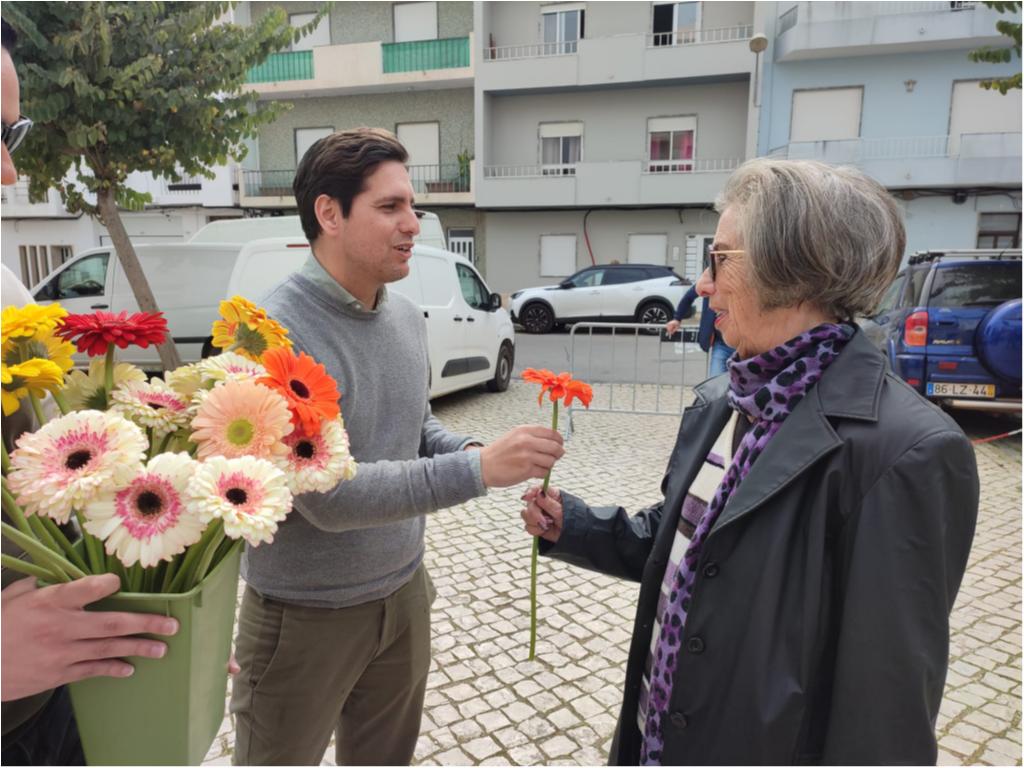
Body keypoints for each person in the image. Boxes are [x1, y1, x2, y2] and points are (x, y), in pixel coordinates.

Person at [521, 158, 979, 765]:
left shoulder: (906, 452)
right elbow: (683, 547)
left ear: (792, 268)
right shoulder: (723, 400)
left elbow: (883, 715)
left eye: (719, 259)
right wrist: (574, 525)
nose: (702, 285)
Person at [229, 127, 565, 766]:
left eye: (412, 205)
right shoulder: (269, 334)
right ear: (329, 213)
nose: (413, 223)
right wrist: (477, 470)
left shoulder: (407, 317)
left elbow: (416, 427)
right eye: (390, 207)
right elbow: (329, 497)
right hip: (304, 617)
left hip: (404, 594)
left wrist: (473, 447)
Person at [1, 19, 179, 765]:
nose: (8, 173)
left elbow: (49, 479)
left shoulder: (7, 296)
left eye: (12, 135)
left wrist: (158, 602)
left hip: (59, 707)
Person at [664, 284, 735, 376]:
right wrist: (677, 318)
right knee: (716, 381)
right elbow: (689, 296)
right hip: (722, 345)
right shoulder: (711, 280)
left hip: (747, 345)